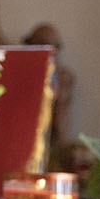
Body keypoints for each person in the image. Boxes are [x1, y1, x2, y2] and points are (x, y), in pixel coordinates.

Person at [24, 22, 77, 171]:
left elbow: (60, 112)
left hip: (52, 144)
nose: (49, 52)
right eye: (42, 45)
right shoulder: (22, 73)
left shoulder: (62, 77)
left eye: (54, 47)